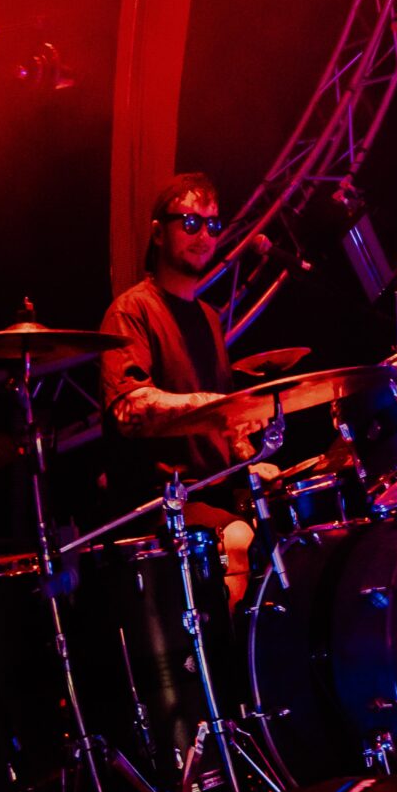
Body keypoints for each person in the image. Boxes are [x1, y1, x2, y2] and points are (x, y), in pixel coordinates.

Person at [96, 172, 268, 598]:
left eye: (212, 225)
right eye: (190, 223)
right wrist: (212, 406)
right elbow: (130, 410)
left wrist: (249, 455)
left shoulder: (209, 318)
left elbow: (218, 429)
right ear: (158, 233)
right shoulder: (131, 311)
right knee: (239, 541)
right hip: (161, 502)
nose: (204, 236)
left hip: (215, 492)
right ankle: (232, 662)